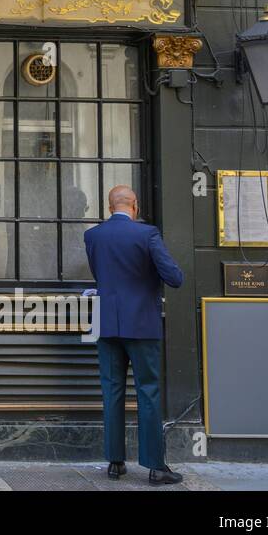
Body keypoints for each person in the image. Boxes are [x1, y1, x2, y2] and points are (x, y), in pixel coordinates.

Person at [84, 185, 185, 485]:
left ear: (109, 206)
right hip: (141, 325)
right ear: (135, 205)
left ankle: (115, 463)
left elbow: (101, 274)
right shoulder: (147, 234)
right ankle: (155, 467)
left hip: (107, 324)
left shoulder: (93, 236)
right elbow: (174, 277)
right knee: (148, 391)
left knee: (112, 391)